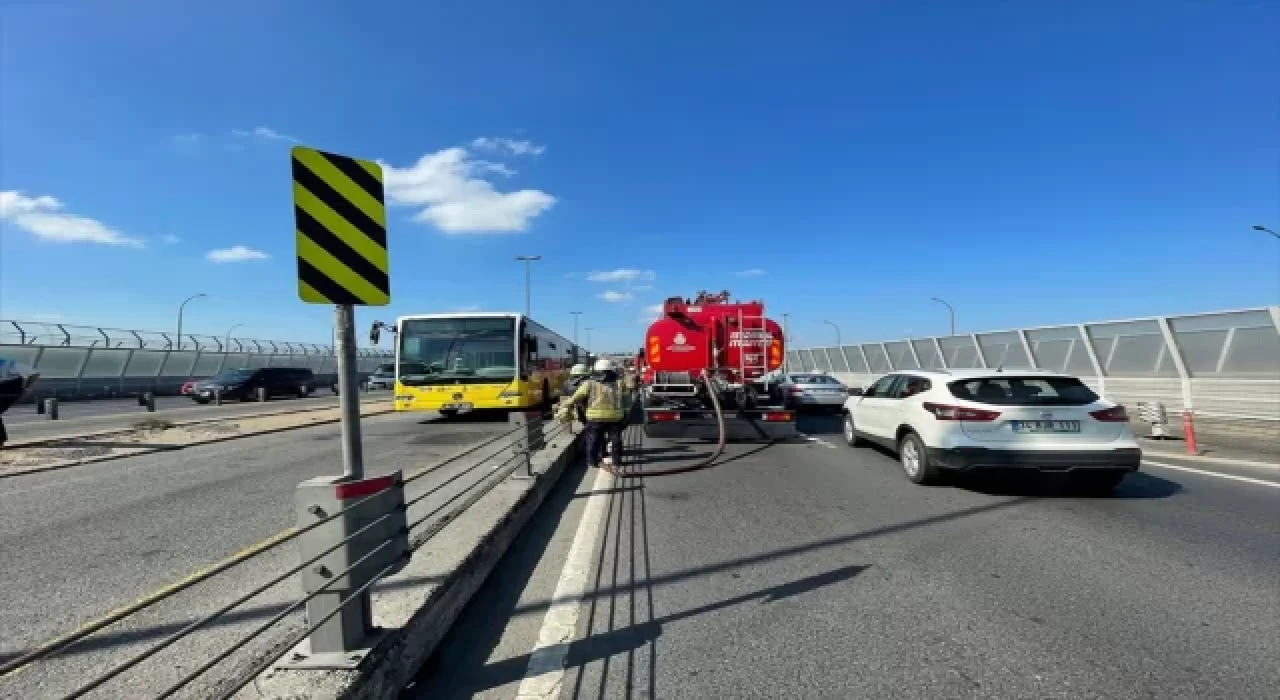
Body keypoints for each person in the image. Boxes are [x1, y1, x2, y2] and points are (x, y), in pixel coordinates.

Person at [569, 358, 627, 468]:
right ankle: (616, 461)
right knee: (615, 439)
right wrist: (626, 413)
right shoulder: (619, 383)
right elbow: (626, 400)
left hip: (594, 418)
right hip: (615, 417)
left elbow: (576, 397)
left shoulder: (589, 384)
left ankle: (592, 461)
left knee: (593, 439)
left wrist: (565, 405)